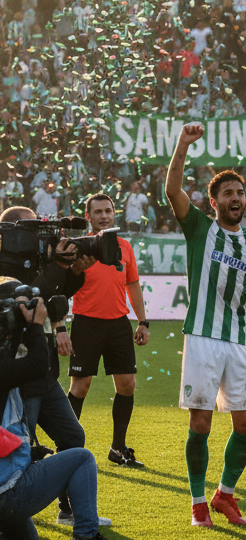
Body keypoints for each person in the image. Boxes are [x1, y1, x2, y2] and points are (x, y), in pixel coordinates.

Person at [164, 123, 246, 528]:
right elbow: (173, 191)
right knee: (201, 422)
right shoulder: (199, 227)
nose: (236, 198)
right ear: (213, 201)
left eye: (240, 193)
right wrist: (183, 144)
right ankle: (198, 503)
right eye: (228, 193)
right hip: (201, 338)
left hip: (239, 342)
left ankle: (224, 495)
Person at [0, 206, 109, 530]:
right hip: (22, 377)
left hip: (43, 371)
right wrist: (59, 265)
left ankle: (70, 508)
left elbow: (56, 296)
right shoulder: (6, 269)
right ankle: (16, 516)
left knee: (72, 435)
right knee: (22, 448)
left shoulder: (36, 261)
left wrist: (75, 270)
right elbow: (35, 296)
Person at [0, 289, 128, 540]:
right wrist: (35, 325)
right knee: (81, 458)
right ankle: (86, 539)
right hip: (6, 495)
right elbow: (36, 364)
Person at [66, 193, 150, 470]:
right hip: (86, 323)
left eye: (108, 211)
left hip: (118, 324)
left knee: (127, 385)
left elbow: (133, 285)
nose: (104, 216)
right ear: (88, 216)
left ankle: (118, 448)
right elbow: (64, 286)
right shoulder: (78, 247)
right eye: (98, 212)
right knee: (80, 387)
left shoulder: (125, 247)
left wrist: (142, 321)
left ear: (115, 214)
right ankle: (68, 448)